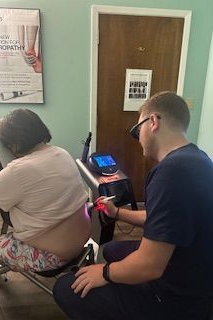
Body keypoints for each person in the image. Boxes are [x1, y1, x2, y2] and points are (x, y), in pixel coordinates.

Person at [53, 91, 213, 320]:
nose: (138, 138)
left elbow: (149, 266)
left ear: (153, 122)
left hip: (177, 300)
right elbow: (161, 219)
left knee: (66, 288)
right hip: (195, 275)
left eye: (137, 130)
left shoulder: (170, 173)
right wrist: (117, 212)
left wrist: (105, 273)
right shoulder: (198, 159)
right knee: (110, 250)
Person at [0, 109, 91, 320]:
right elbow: (34, 178)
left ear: (14, 145)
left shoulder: (18, 169)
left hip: (50, 256)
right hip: (80, 241)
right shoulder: (61, 153)